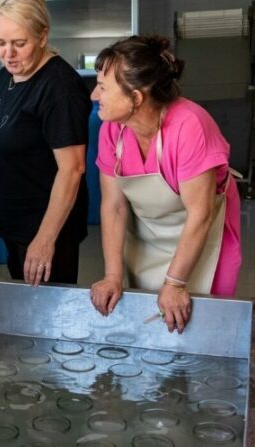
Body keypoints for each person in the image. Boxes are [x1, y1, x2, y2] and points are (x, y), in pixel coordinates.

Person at [88, 35, 242, 334]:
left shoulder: (190, 126)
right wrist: (112, 275)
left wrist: (175, 283)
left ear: (136, 98)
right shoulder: (111, 130)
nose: (94, 95)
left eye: (103, 87)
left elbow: (200, 214)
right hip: (147, 234)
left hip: (203, 233)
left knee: (202, 324)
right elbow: (114, 206)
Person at [0, 0, 90, 285]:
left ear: (42, 37)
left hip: (44, 225)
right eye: (0, 43)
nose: (9, 54)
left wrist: (45, 239)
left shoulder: (60, 88)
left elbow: (73, 169)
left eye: (19, 43)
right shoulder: (4, 76)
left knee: (46, 308)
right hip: (13, 221)